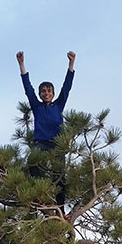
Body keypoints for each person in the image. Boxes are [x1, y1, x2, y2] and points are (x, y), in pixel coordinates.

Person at [16, 50, 76, 208]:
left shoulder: (59, 105)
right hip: (41, 142)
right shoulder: (37, 107)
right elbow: (28, 88)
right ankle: (39, 195)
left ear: (53, 93)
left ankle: (61, 208)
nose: (46, 93)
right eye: (43, 91)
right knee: (33, 163)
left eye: (49, 91)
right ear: (40, 94)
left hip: (57, 143)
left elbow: (67, 87)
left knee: (60, 176)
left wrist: (71, 64)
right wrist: (22, 65)